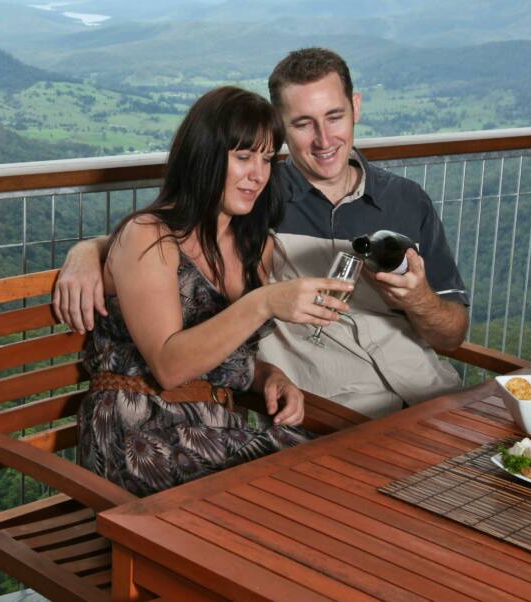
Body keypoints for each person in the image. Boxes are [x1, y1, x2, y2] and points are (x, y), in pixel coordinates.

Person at [57, 48, 470, 419]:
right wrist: (90, 250)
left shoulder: (407, 201)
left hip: (430, 396)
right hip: (341, 417)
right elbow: (172, 233)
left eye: (334, 117)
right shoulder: (260, 201)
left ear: (355, 108)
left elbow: (452, 335)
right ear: (282, 128)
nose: (324, 140)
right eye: (304, 124)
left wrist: (421, 301)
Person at [76, 86, 350, 496]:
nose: (258, 174)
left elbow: (221, 351)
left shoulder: (254, 246)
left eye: (267, 159)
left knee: (322, 467)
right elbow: (169, 366)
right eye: (243, 157)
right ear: (204, 156)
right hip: (137, 434)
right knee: (308, 474)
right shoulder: (150, 236)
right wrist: (265, 302)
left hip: (214, 427)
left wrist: (269, 376)